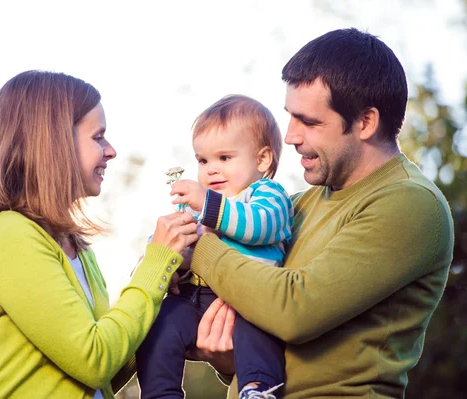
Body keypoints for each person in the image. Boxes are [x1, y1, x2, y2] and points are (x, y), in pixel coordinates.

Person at [187, 28, 454, 398]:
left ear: (365, 122)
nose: (290, 136)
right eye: (290, 117)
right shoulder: (297, 204)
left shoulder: (409, 203)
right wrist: (230, 360)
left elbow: (293, 310)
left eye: (309, 122)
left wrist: (199, 246)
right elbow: (273, 329)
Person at [0, 70, 199, 399]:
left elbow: (104, 372)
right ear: (53, 141)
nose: (111, 150)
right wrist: (151, 269)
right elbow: (94, 360)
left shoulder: (76, 247)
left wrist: (158, 285)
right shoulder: (6, 235)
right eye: (98, 137)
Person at [136, 95, 293, 399]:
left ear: (262, 160)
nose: (210, 170)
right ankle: (160, 393)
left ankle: (258, 388)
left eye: (224, 158)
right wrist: (165, 265)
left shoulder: (267, 195)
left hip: (251, 298)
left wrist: (210, 207)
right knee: (162, 320)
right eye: (203, 160)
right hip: (197, 298)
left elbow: (261, 226)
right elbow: (171, 243)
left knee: (258, 333)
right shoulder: (199, 207)